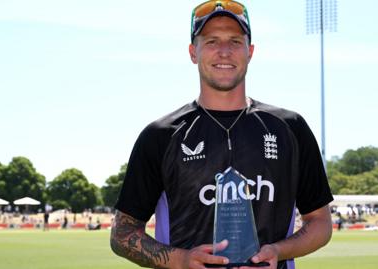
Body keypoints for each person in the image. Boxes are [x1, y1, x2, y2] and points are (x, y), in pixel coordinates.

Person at [110, 1, 333, 268]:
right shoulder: (160, 135)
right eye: (212, 41)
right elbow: (122, 234)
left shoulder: (290, 128)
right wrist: (182, 259)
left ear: (250, 52)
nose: (224, 52)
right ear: (194, 52)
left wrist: (278, 251)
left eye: (235, 41)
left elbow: (320, 223)